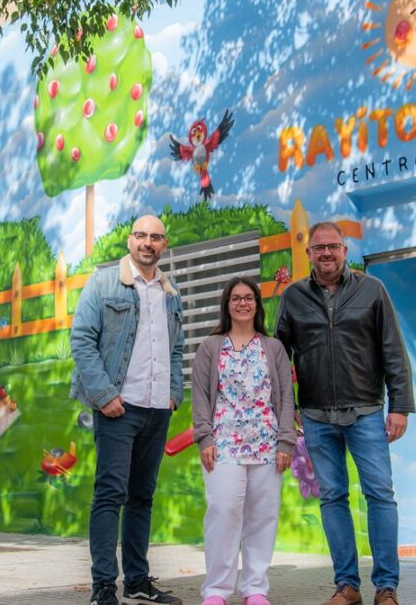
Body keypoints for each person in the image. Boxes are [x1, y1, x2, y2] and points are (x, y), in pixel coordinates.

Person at [275, 221, 414, 605]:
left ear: (345, 250)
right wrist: (287, 411)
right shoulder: (293, 297)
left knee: (380, 495)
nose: (326, 254)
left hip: (367, 412)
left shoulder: (373, 290)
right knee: (333, 498)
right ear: (308, 254)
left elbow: (393, 350)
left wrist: (399, 406)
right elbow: (278, 358)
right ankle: (347, 586)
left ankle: (386, 587)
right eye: (319, 248)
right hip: (316, 417)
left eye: (333, 247)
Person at [71, 214, 185, 605]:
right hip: (119, 408)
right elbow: (81, 340)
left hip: (157, 410)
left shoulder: (171, 293)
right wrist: (103, 394)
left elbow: (175, 350)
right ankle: (104, 585)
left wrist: (173, 393)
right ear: (129, 240)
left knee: (142, 497)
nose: (147, 243)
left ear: (163, 244)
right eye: (141, 236)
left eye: (155, 237)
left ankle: (137, 580)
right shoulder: (104, 283)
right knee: (110, 494)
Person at [191, 277, 295, 605]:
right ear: (227, 305)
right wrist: (204, 436)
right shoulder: (210, 347)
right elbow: (200, 395)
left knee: (262, 517)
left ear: (257, 304)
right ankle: (216, 591)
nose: (242, 303)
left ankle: (254, 588)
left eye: (248, 297)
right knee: (223, 513)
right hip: (223, 447)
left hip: (267, 445)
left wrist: (286, 441)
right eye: (235, 298)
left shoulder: (273, 347)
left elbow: (286, 397)